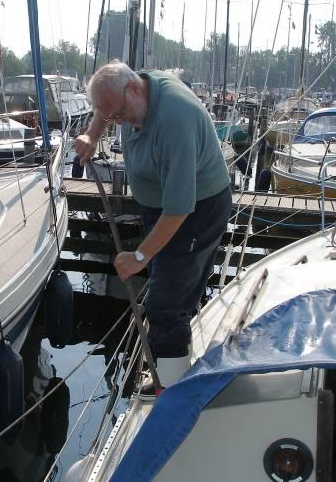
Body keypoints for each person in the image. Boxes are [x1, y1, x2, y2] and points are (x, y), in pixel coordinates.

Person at [73, 61, 232, 391]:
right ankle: (176, 344)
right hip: (159, 205)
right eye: (113, 117)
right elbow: (106, 108)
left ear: (134, 89)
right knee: (169, 281)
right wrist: (92, 133)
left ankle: (170, 389)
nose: (119, 122)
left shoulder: (176, 119)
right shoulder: (128, 93)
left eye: (119, 115)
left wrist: (140, 257)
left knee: (163, 304)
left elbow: (178, 210)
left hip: (195, 211)